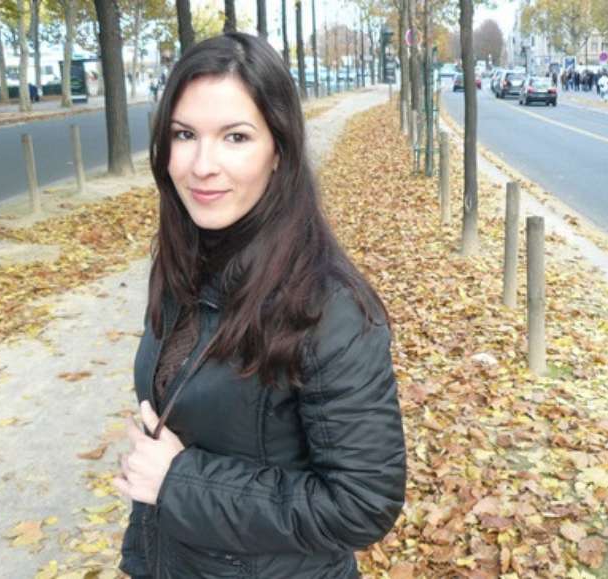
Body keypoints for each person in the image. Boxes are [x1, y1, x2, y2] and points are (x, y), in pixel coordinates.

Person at [115, 32, 407, 579]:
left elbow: (363, 501)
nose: (203, 165)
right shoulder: (184, 267)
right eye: (184, 134)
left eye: (235, 137)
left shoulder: (328, 308)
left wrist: (178, 481)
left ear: (280, 149)